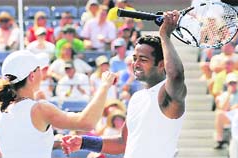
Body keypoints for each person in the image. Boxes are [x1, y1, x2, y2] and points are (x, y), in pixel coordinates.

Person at [61, 10, 187, 158]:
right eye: (135, 58)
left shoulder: (168, 93)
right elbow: (122, 143)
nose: (136, 64)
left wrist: (165, 35)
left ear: (161, 65)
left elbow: (176, 75)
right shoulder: (137, 98)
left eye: (143, 59)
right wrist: (83, 142)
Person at [0, 50, 116, 158]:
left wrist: (54, 143)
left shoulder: (2, 112)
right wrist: (105, 85)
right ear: (32, 76)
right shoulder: (40, 108)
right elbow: (87, 122)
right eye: (39, 69)